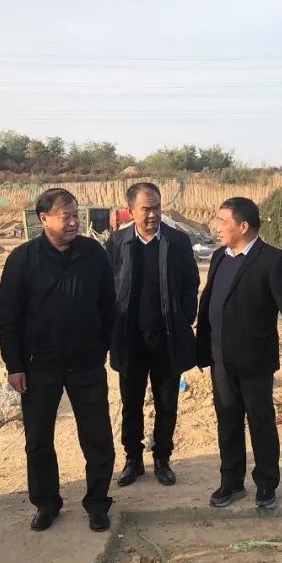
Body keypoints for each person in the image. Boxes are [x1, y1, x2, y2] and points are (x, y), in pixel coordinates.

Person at [0, 188, 117, 532]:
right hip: (39, 366)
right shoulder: (22, 259)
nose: (74, 222)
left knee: (97, 436)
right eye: (66, 216)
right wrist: (14, 365)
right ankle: (46, 503)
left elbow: (108, 305)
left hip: (86, 363)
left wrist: (101, 347)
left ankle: (97, 503)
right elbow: (9, 316)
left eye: (76, 215)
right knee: (38, 440)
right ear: (44, 218)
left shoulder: (93, 253)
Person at [195, 197, 282, 509]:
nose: (217, 227)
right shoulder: (220, 257)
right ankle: (231, 482)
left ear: (243, 226)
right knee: (227, 421)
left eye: (223, 221)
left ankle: (266, 483)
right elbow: (210, 301)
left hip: (255, 358)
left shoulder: (272, 260)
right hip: (220, 356)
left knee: (260, 421)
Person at [107, 182, 199, 488]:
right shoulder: (117, 242)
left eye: (157, 207)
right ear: (130, 210)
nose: (153, 214)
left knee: (166, 403)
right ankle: (132, 459)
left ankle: (162, 459)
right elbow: (107, 286)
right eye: (146, 209)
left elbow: (191, 282)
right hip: (130, 339)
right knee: (131, 404)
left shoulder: (177, 241)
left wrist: (184, 317)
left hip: (167, 338)